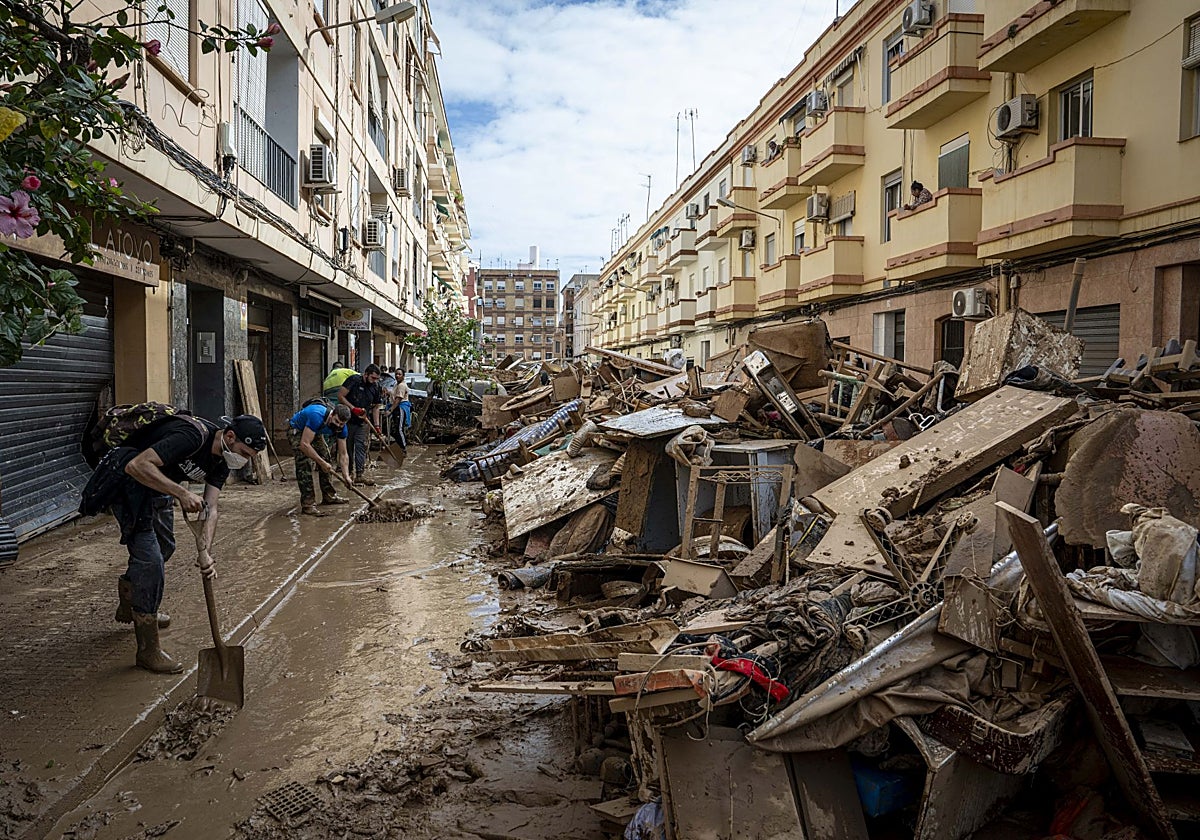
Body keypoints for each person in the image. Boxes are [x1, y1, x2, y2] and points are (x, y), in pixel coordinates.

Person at [115, 413, 266, 673]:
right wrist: (182, 492)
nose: (245, 459)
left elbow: (212, 507)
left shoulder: (221, 462)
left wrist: (206, 550)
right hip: (126, 483)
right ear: (230, 436)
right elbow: (136, 466)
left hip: (157, 489)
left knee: (165, 548)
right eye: (244, 451)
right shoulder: (191, 436)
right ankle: (148, 650)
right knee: (150, 561)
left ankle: (134, 602)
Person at [288, 402, 354, 516]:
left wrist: (346, 475)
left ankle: (329, 496)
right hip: (297, 429)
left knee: (326, 458)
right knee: (304, 463)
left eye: (341, 424)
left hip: (315, 431)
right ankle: (308, 504)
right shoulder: (316, 415)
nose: (338, 425)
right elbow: (304, 445)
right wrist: (321, 463)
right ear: (332, 414)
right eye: (336, 421)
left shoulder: (342, 428)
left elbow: (343, 454)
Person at [338, 363, 383, 485]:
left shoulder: (376, 387)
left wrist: (377, 426)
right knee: (348, 447)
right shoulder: (354, 380)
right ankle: (348, 473)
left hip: (363, 422)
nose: (374, 381)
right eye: (373, 378)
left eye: (377, 379)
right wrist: (353, 408)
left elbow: (376, 407)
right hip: (348, 421)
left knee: (361, 446)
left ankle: (359, 474)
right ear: (366, 374)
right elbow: (341, 396)